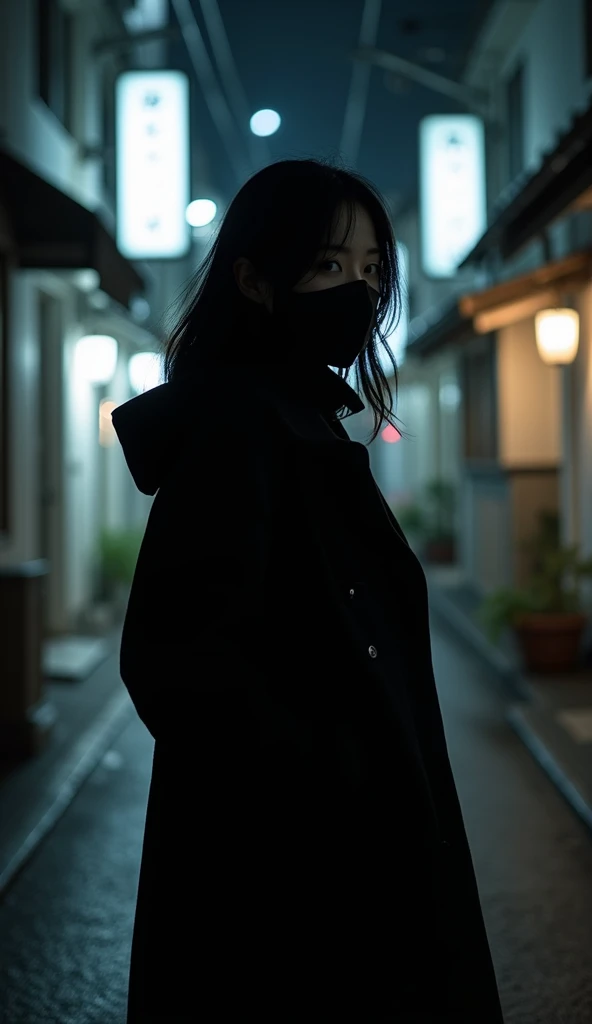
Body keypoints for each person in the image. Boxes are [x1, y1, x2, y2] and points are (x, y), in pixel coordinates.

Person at [112, 158, 504, 1023]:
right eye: (329, 266)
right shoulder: (241, 431)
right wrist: (333, 789)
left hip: (332, 859)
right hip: (297, 885)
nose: (359, 294)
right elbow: (176, 660)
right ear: (253, 279)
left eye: (371, 272)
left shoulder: (297, 421)